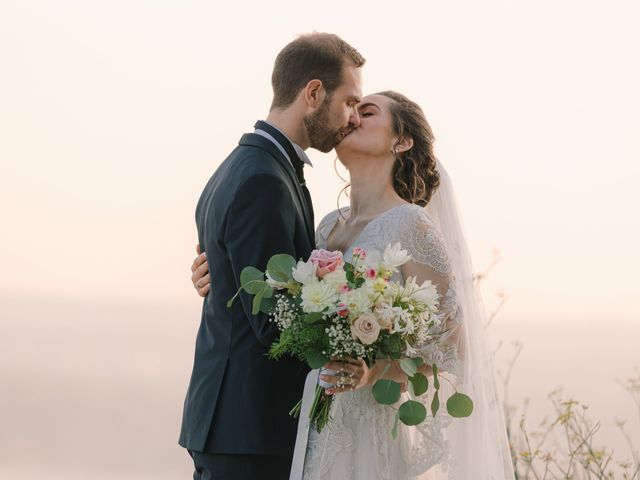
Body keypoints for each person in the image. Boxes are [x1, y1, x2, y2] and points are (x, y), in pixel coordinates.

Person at [190, 92, 515, 479]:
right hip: (314, 426)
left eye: (368, 112)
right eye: (351, 110)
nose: (352, 118)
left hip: (368, 430)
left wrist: (375, 372)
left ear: (402, 140)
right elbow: (286, 295)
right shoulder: (327, 226)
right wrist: (220, 274)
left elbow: (453, 345)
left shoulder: (412, 226)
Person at [179, 32, 364, 480]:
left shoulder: (244, 165)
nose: (353, 118)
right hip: (248, 431)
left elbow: (238, 278)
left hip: (237, 428)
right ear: (313, 93)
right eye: (349, 102)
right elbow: (271, 319)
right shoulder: (264, 179)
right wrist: (359, 337)